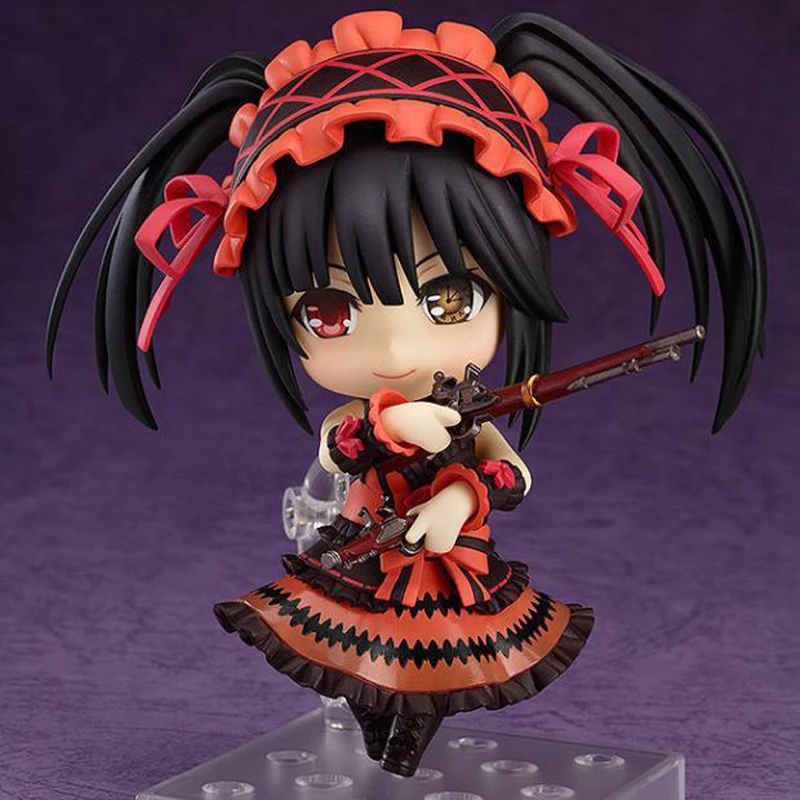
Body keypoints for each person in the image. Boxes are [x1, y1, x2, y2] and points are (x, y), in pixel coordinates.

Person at [46, 10, 766, 778]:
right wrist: (395, 424)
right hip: (364, 554)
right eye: (330, 312)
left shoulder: (475, 410)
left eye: (450, 299)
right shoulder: (363, 414)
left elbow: (511, 473)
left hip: (445, 567)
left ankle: (398, 762)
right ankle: (376, 741)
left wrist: (457, 499)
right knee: (351, 667)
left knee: (432, 680)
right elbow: (338, 445)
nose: (395, 352)